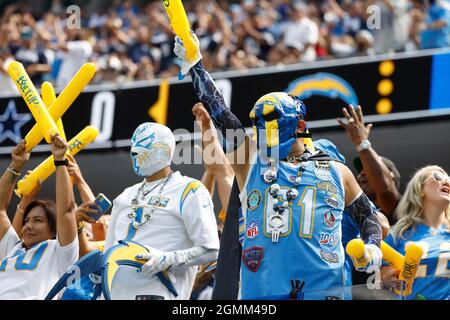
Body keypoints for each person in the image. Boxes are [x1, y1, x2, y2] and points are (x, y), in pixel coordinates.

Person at [174, 33, 382, 300]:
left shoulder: (337, 171)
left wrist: (373, 248)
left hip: (326, 292)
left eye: (270, 119)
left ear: (300, 125)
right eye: (256, 120)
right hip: (263, 294)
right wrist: (195, 64)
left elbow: (368, 217)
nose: (260, 127)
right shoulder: (250, 164)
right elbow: (222, 114)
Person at [103, 122, 220, 300]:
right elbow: (108, 253)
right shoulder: (125, 196)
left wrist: (169, 259)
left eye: (143, 148)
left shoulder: (190, 190)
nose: (135, 153)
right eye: (134, 147)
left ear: (163, 150)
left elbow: (211, 249)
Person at [0, 136, 78, 299]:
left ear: (53, 229)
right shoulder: (12, 247)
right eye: (27, 220)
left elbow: (66, 211)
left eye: (38, 220)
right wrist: (15, 165)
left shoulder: (60, 253)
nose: (28, 226)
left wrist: (60, 161)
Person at [382, 165, 450, 300]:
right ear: (420, 189)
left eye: (449, 179)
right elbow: (381, 272)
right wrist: (388, 276)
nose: (446, 181)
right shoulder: (399, 233)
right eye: (438, 177)